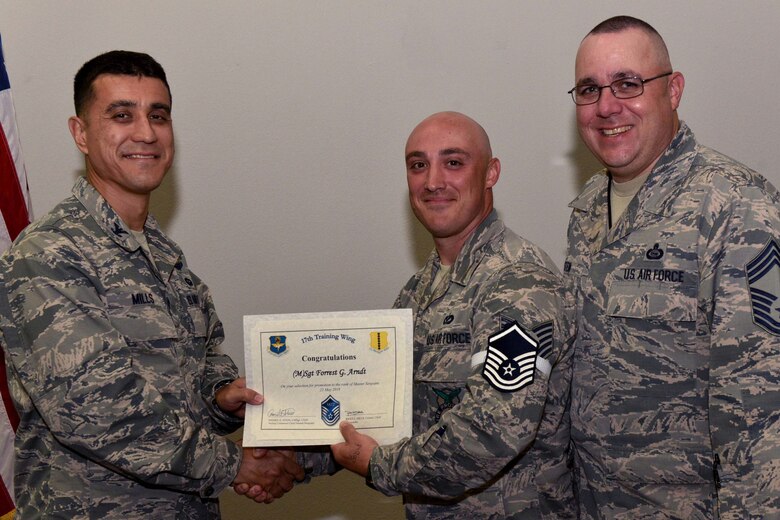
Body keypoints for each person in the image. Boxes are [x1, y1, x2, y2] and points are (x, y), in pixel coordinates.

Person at [0, 50, 303, 519]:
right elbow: (97, 409)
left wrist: (221, 398)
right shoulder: (50, 254)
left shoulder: (165, 258)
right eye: (122, 115)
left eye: (158, 115)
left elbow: (198, 367)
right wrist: (235, 465)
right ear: (80, 133)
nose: (145, 132)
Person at [564, 15, 780, 519]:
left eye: (628, 84)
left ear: (673, 89)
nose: (607, 106)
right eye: (589, 89)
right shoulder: (589, 208)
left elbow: (763, 414)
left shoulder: (738, 207)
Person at [322, 111, 575, 518]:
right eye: (418, 165)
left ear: (491, 173)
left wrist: (377, 465)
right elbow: (382, 409)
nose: (433, 181)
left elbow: (493, 429)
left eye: (453, 163)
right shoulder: (418, 291)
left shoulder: (518, 283)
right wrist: (294, 457)